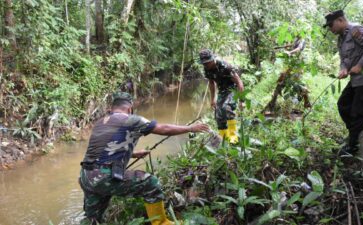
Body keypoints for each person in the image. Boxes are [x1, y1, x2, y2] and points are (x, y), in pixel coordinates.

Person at [79, 92, 209, 225]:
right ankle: (161, 222)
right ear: (130, 108)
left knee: (92, 218)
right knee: (150, 183)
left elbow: (102, 150)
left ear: (112, 108)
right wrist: (190, 128)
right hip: (103, 177)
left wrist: (134, 154)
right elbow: (163, 128)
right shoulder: (131, 119)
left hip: (85, 176)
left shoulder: (100, 122)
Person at [324, 10, 363, 155]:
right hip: (357, 79)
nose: (330, 29)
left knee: (360, 111)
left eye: (331, 25)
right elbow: (344, 59)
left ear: (340, 20)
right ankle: (354, 134)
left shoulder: (355, 30)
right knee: (343, 104)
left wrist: (361, 65)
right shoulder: (341, 39)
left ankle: (352, 146)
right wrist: (343, 69)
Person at [199, 49, 244, 144]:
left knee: (226, 108)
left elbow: (239, 82)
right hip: (222, 91)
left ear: (212, 59)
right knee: (218, 115)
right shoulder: (207, 69)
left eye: (207, 63)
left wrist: (241, 100)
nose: (205, 65)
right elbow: (211, 83)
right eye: (203, 63)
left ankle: (233, 137)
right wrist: (212, 99)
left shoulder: (225, 66)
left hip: (233, 89)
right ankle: (224, 139)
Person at [265, 35, 311, 114]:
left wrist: (290, 52)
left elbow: (298, 49)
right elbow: (293, 46)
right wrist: (286, 47)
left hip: (297, 67)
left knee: (297, 85)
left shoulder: (302, 40)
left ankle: (306, 102)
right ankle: (272, 104)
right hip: (290, 66)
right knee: (280, 82)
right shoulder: (296, 39)